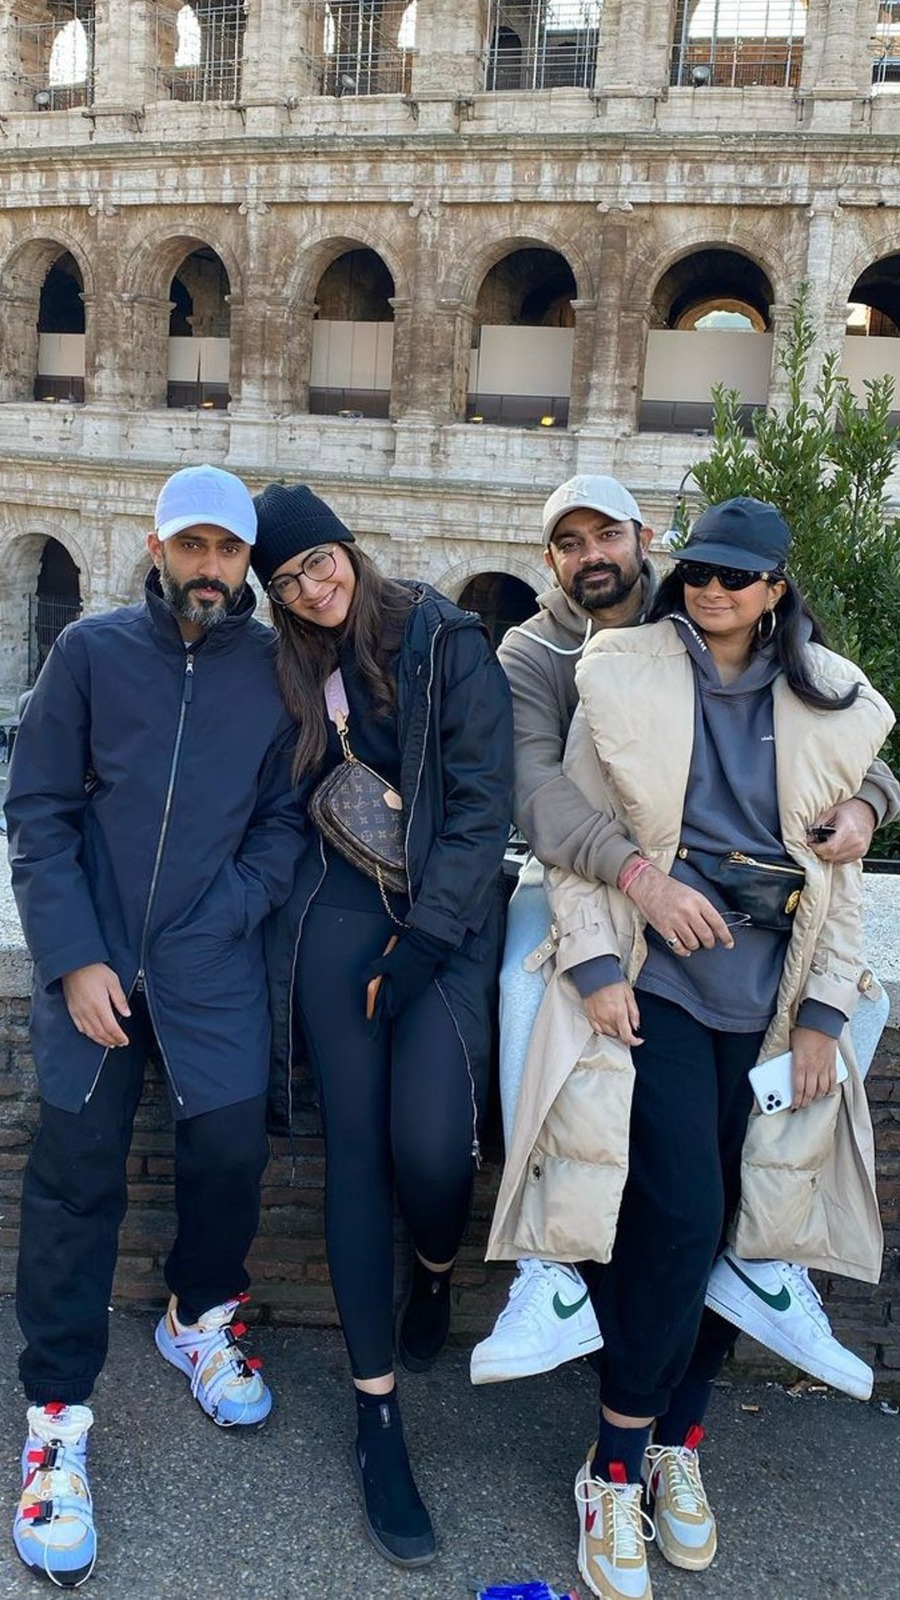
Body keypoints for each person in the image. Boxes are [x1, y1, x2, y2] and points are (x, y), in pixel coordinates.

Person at [487, 496, 894, 1599]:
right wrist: (594, 966)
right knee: (676, 1220)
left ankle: (681, 1445)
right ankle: (613, 1464)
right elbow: (566, 826)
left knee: (741, 1228)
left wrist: (823, 1012)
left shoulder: (829, 693)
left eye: (739, 574)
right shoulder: (613, 669)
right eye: (703, 570)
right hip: (654, 983)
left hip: (767, 1000)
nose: (714, 588)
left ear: (775, 587)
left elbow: (839, 867)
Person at [4, 465, 306, 1588]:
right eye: (194, 548)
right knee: (76, 1173)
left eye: (230, 552)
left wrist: (226, 913)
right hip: (95, 960)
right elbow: (35, 810)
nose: (211, 570)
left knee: (230, 1146)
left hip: (210, 964)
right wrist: (76, 955)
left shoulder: (276, 673)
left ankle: (196, 1313)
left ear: (247, 563)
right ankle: (56, 1423)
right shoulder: (89, 653)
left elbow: (284, 824)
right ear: (158, 545)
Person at [250, 483, 513, 1569]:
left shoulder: (446, 638)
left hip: (442, 918)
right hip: (337, 908)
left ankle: (438, 1267)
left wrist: (423, 949)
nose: (314, 592)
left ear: (346, 549)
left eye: (320, 565)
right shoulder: (286, 669)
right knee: (356, 1148)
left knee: (429, 1143)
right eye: (289, 585)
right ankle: (377, 1414)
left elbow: (481, 800)